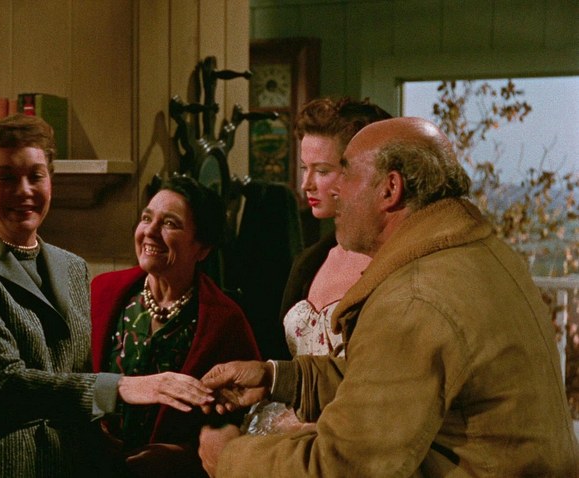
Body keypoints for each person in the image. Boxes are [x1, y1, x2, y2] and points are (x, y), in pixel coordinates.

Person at [198, 117, 579, 477]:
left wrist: (230, 458)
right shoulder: (480, 254)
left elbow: (344, 467)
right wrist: (280, 378)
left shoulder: (414, 298)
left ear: (390, 189)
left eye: (345, 174)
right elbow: (395, 382)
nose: (333, 190)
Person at [0, 115, 216, 477]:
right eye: (6, 177)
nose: (24, 190)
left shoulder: (73, 268)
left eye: (36, 176)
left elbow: (74, 378)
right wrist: (122, 387)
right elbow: (2, 387)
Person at [91, 175, 261, 477]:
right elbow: (69, 380)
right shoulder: (101, 292)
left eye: (169, 223)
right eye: (147, 218)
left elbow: (243, 421)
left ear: (202, 248)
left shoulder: (224, 321)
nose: (150, 231)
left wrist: (183, 456)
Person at [243, 98, 391, 435]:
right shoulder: (308, 262)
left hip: (354, 434)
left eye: (322, 171)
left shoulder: (391, 266)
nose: (306, 184)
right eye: (304, 168)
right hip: (289, 432)